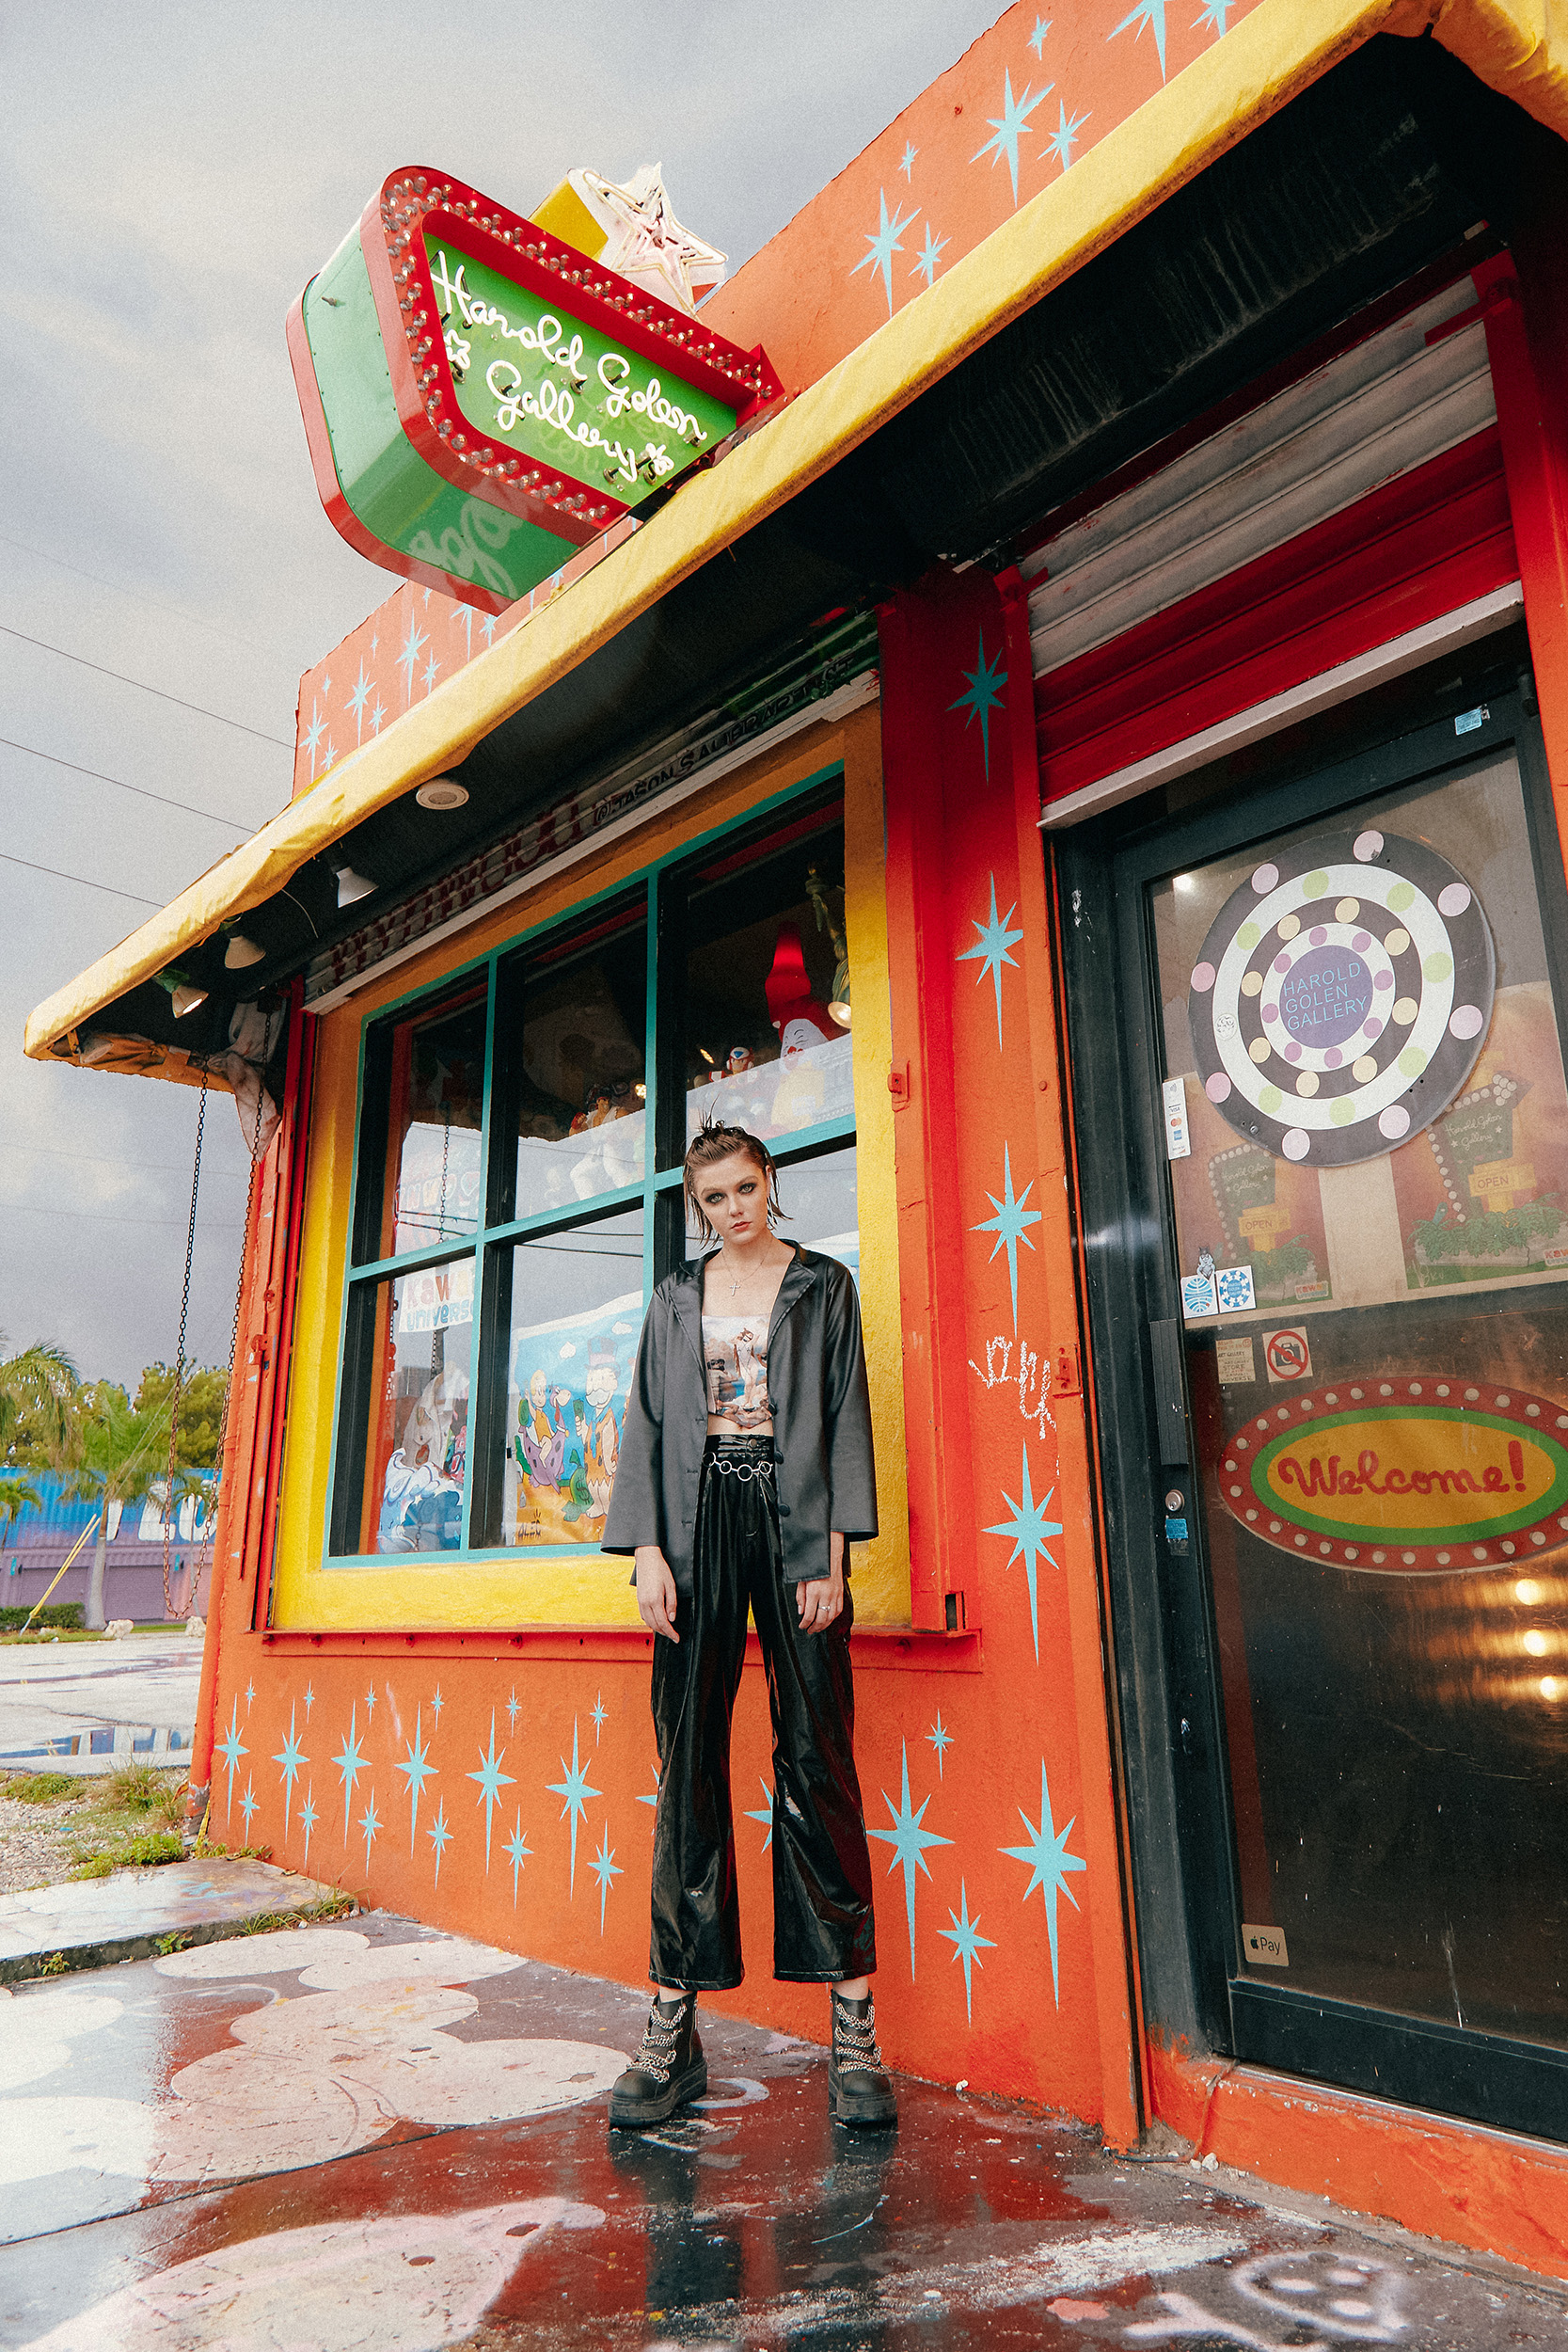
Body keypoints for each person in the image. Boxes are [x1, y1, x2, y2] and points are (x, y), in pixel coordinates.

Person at [601, 1118, 895, 2131]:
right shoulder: (675, 1297)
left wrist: (831, 1558)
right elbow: (646, 1420)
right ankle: (671, 2027)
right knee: (687, 1759)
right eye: (713, 1197)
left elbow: (844, 1414)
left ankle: (852, 2027)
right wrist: (647, 1550)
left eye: (743, 1187)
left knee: (817, 1752)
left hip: (795, 1519)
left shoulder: (823, 1286)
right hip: (694, 1527)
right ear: (698, 1205)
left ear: (770, 1181)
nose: (732, 1209)